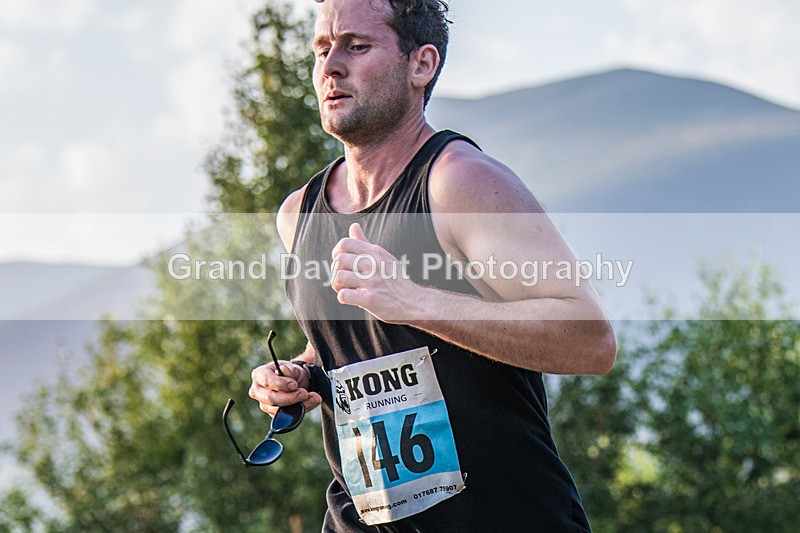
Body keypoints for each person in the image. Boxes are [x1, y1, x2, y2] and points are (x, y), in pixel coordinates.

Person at [249, 0, 616, 530]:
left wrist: (415, 300)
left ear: (421, 65)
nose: (330, 66)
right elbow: (351, 348)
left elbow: (590, 341)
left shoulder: (458, 183)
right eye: (322, 49)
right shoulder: (298, 214)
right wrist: (303, 374)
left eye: (357, 46)